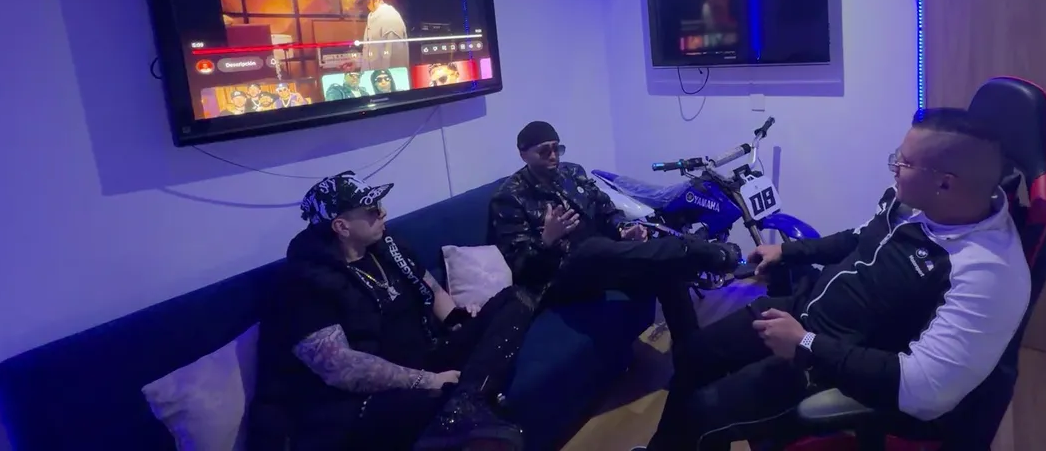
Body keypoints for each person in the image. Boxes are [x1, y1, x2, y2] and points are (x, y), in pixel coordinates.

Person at [636, 108, 1032, 451]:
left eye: (905, 162)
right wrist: (788, 251)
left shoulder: (987, 273)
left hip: (832, 362)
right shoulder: (915, 204)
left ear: (945, 182)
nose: (894, 166)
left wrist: (805, 344)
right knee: (693, 355)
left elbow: (924, 389)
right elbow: (859, 237)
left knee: (703, 413)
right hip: (805, 309)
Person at [255, 171, 535, 451]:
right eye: (371, 210)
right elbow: (339, 368)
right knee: (484, 430)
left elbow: (433, 290)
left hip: (429, 355)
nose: (383, 212)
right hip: (370, 397)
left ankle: (466, 399)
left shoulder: (387, 247)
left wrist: (457, 320)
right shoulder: (304, 282)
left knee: (516, 300)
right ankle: (466, 401)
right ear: (341, 226)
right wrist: (428, 381)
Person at [488, 121, 741, 349]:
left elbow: (606, 209)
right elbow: (519, 267)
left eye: (557, 148)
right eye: (544, 151)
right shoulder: (510, 197)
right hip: (559, 277)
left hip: (604, 260)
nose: (553, 156)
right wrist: (547, 239)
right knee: (592, 248)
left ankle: (692, 357)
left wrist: (623, 229)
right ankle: (697, 251)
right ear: (523, 154)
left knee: (666, 268)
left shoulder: (572, 173)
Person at [353, 0, 409, 71]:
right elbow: (373, 58)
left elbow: (395, 68)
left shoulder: (389, 18)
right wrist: (357, 65)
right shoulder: (372, 16)